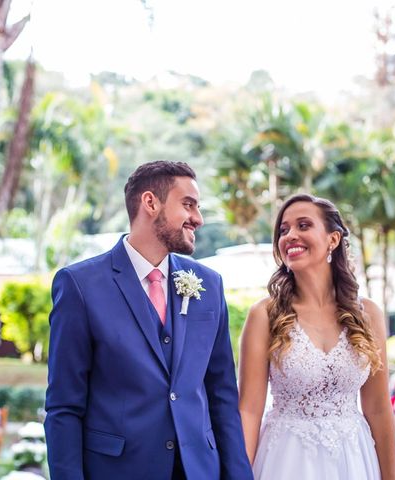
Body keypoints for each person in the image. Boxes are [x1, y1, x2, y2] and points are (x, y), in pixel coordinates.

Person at [45, 161, 253, 479]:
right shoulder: (80, 285)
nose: (197, 218)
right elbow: (64, 407)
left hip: (199, 470)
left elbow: (221, 394)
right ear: (150, 203)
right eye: (188, 205)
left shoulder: (209, 284)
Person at [238, 193, 395, 479]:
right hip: (285, 461)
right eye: (283, 230)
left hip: (353, 460)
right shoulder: (264, 315)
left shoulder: (368, 314)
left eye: (303, 226)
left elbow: (379, 410)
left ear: (333, 240)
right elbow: (249, 411)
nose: (290, 236)